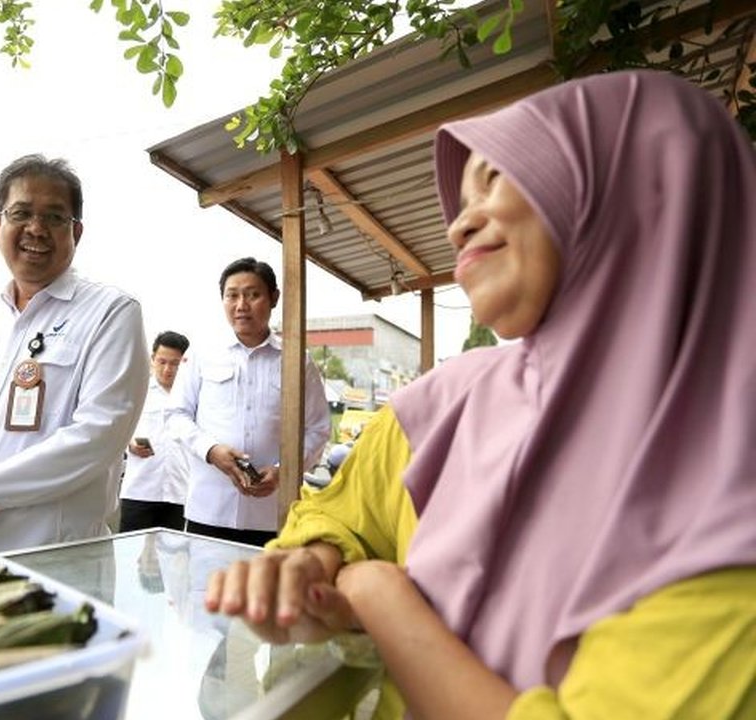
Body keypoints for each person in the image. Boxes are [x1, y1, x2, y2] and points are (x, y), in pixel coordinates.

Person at [205, 71, 756, 719]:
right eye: (460, 201)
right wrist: (311, 567)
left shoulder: (730, 513)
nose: (458, 226)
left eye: (495, 180)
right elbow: (341, 516)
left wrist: (380, 598)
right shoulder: (442, 407)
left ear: (640, 187)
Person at [0, 154, 149, 551]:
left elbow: (98, 436)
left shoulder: (111, 312)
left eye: (54, 217)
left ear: (77, 232)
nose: (36, 229)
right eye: (21, 213)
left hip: (52, 555)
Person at [167, 257, 331, 547]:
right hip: (209, 512)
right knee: (205, 591)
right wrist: (211, 451)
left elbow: (317, 428)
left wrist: (284, 471)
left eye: (253, 295)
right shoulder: (203, 353)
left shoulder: (297, 360)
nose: (241, 305)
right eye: (232, 295)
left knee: (265, 592)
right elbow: (177, 416)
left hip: (273, 516)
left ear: (274, 298)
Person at [119, 330, 191, 532]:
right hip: (140, 489)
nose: (168, 369)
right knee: (130, 555)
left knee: (173, 559)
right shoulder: (136, 391)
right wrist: (129, 444)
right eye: (162, 361)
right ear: (152, 359)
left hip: (179, 490)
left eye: (175, 363)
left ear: (185, 362)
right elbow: (118, 429)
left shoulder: (192, 396)